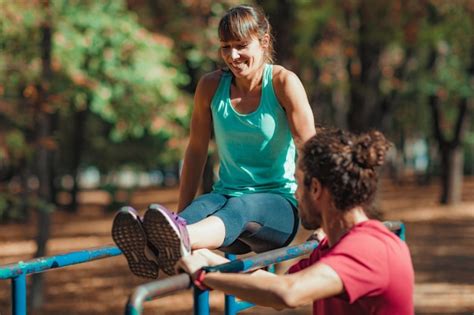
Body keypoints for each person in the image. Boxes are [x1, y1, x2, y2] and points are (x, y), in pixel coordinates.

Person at [111, 4, 316, 279]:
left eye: (241, 45)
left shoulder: (282, 83)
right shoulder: (210, 87)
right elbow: (196, 151)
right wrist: (180, 215)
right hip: (225, 206)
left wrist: (323, 219)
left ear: (264, 42)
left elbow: (312, 153)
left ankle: (169, 241)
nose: (232, 55)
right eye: (225, 46)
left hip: (276, 210)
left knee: (240, 206)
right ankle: (163, 242)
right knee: (204, 205)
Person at [177, 128, 415, 315]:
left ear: (316, 189)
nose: (295, 195)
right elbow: (277, 284)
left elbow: (288, 294)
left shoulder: (370, 248)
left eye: (297, 185)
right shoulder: (333, 246)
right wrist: (208, 260)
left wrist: (204, 277)